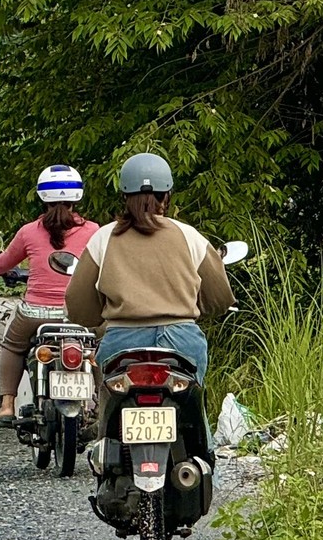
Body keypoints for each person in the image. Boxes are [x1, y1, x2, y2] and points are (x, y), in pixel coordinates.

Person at [65, 153, 233, 383]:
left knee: (110, 412)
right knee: (191, 411)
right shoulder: (188, 235)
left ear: (124, 196)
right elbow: (220, 298)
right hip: (181, 340)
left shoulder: (104, 238)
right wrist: (190, 309)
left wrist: (97, 318)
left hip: (121, 344)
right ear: (167, 196)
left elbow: (79, 303)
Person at [0, 165, 99, 427]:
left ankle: (7, 405)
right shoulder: (94, 232)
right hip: (79, 314)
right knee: (98, 347)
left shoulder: (29, 231)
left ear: (42, 197)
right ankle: (99, 399)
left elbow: (4, 263)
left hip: (35, 313)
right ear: (78, 196)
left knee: (12, 345)